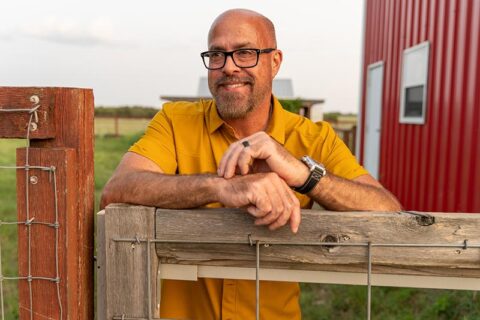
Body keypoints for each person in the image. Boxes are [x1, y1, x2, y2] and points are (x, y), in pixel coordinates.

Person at [100, 8, 401, 320]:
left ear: (275, 62)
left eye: (245, 53)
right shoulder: (176, 122)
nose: (229, 67)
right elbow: (117, 190)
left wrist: (303, 175)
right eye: (217, 55)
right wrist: (220, 187)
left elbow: (389, 214)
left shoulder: (314, 138)